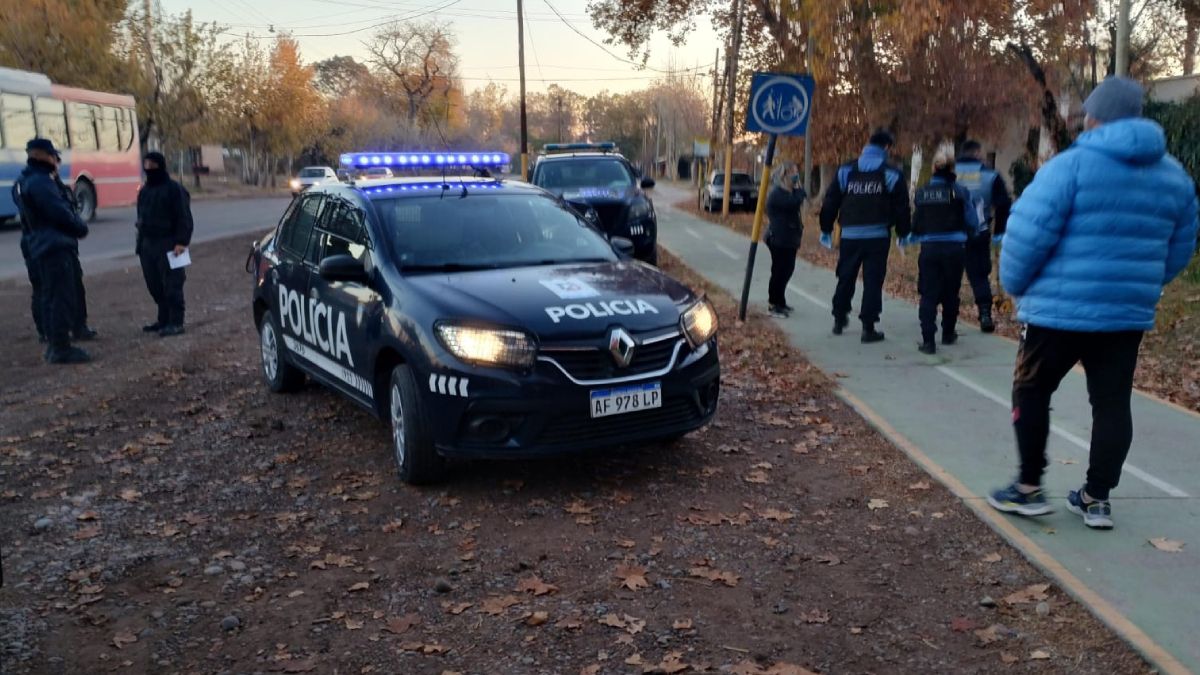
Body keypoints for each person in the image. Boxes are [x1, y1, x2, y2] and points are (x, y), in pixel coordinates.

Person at [987, 77, 1198, 530]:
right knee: (1112, 402)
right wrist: (1140, 283)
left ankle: (1027, 488)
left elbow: (1027, 233)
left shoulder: (1069, 167)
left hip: (1056, 311)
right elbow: (1180, 246)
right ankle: (1096, 497)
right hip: (1125, 314)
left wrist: (1014, 285)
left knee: (1032, 389)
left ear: (1094, 118)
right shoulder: (1175, 177)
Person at [819, 128, 911, 342]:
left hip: (850, 235)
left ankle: (839, 319)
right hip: (877, 237)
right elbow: (901, 208)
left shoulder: (846, 170)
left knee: (845, 277)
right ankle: (868, 327)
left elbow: (831, 201)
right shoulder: (892, 173)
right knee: (873, 281)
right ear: (887, 147)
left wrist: (826, 228)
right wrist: (903, 233)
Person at [12, 138, 91, 364]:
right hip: (53, 245)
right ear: (42, 155)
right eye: (52, 156)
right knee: (60, 296)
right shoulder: (40, 183)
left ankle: (55, 342)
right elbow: (59, 212)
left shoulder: (28, 181)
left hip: (42, 244)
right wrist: (79, 227)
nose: (56, 161)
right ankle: (60, 347)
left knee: (50, 294)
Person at [907, 143, 979, 354]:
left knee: (928, 294)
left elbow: (917, 222)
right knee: (951, 292)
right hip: (955, 248)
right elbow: (972, 221)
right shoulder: (960, 192)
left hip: (930, 248)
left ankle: (928, 341)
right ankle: (948, 333)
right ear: (952, 170)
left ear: (934, 169)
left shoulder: (922, 193)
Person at [955, 140, 1013, 333]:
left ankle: (946, 317)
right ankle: (985, 313)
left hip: (950, 233)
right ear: (978, 153)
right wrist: (999, 232)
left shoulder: (949, 173)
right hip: (979, 232)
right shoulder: (990, 175)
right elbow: (1004, 204)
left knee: (948, 275)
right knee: (979, 275)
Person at [136, 152, 193, 337]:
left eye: (152, 164)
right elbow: (141, 217)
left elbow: (184, 217)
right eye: (146, 164)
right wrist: (140, 244)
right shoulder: (144, 191)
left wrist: (181, 242)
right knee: (154, 284)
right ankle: (163, 319)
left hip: (170, 244)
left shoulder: (174, 189)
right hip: (148, 245)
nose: (149, 168)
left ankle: (176, 321)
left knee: (173, 284)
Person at [763, 161, 806, 317]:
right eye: (793, 172)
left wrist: (798, 191)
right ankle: (773, 304)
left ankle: (781, 301)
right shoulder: (777, 194)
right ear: (784, 175)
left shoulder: (789, 192)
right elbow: (793, 203)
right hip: (778, 239)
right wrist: (800, 191)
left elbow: (796, 201)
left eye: (796, 171)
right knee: (779, 271)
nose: (796, 175)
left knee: (788, 270)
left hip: (790, 239)